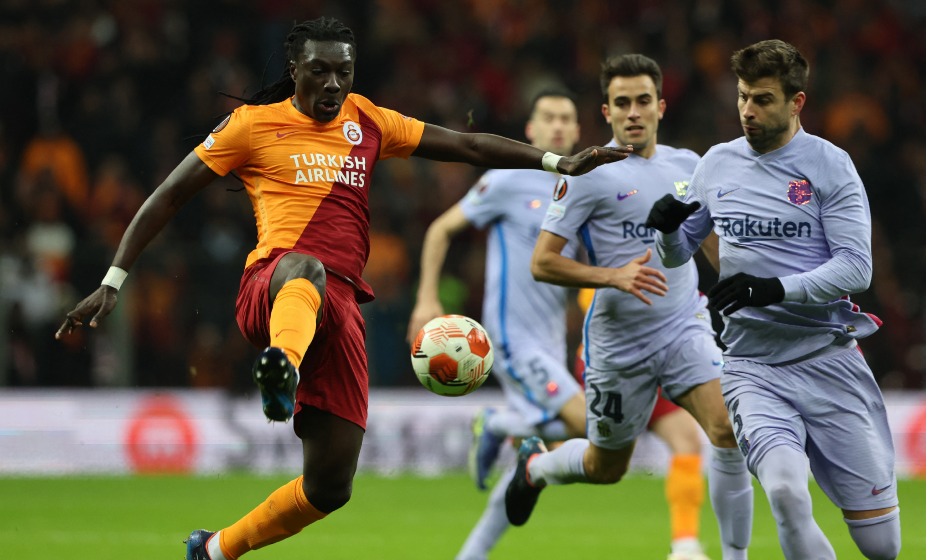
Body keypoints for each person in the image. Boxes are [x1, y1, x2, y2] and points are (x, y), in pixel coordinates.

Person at [53, 17, 631, 560]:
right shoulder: (251, 125)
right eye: (320, 71)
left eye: (343, 72)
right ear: (295, 69)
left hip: (342, 309)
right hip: (273, 286)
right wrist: (113, 279)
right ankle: (282, 368)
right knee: (307, 268)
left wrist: (556, 162)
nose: (333, 84)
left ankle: (214, 549)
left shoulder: (369, 121)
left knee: (330, 487)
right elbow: (169, 195)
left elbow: (468, 145)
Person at [646, 39, 901, 560]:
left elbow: (857, 268)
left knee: (881, 546)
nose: (747, 110)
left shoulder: (830, 165)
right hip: (753, 365)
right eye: (743, 96)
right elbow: (676, 255)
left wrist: (773, 288)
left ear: (796, 102)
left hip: (826, 357)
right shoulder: (717, 164)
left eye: (762, 99)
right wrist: (667, 232)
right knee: (785, 491)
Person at [504, 53, 754, 560]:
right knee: (607, 467)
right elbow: (543, 262)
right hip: (620, 343)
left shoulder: (689, 166)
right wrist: (612, 276)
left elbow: (707, 240)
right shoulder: (587, 174)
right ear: (607, 112)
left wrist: (741, 287)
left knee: (728, 430)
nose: (633, 112)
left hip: (683, 325)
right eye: (622, 103)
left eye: (643, 100)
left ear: (661, 106)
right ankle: (536, 467)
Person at [575, 288, 712, 560]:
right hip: (611, 365)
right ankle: (521, 441)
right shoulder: (607, 265)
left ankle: (685, 545)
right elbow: (592, 300)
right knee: (600, 461)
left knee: (686, 441)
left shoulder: (669, 263)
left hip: (655, 361)